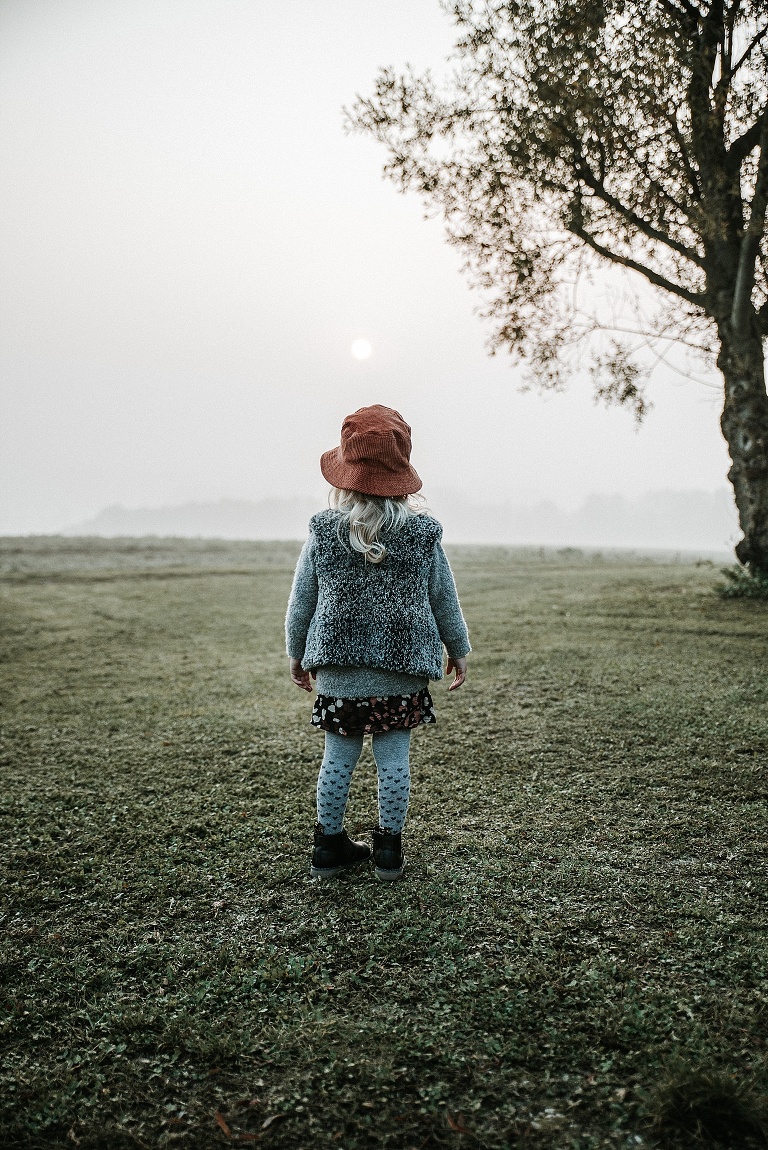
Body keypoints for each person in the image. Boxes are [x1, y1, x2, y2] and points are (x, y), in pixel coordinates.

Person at [285, 404, 470, 881]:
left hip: (338, 666)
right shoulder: (423, 533)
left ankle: (328, 847)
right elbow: (442, 597)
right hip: (402, 668)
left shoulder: (324, 531)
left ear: (345, 475)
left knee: (338, 758)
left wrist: (296, 652)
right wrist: (458, 648)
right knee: (393, 759)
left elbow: (302, 597)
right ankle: (389, 851)